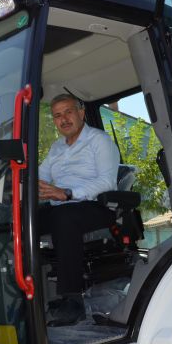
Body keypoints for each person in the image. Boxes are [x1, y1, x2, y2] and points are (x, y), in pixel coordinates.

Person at [38, 93, 120, 326]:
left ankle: (73, 301)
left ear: (81, 113)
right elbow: (40, 177)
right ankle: (29, 291)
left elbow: (107, 182)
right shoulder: (56, 148)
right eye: (57, 115)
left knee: (64, 218)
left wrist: (67, 193)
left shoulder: (99, 140)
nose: (63, 119)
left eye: (68, 112)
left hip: (96, 205)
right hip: (61, 206)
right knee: (20, 221)